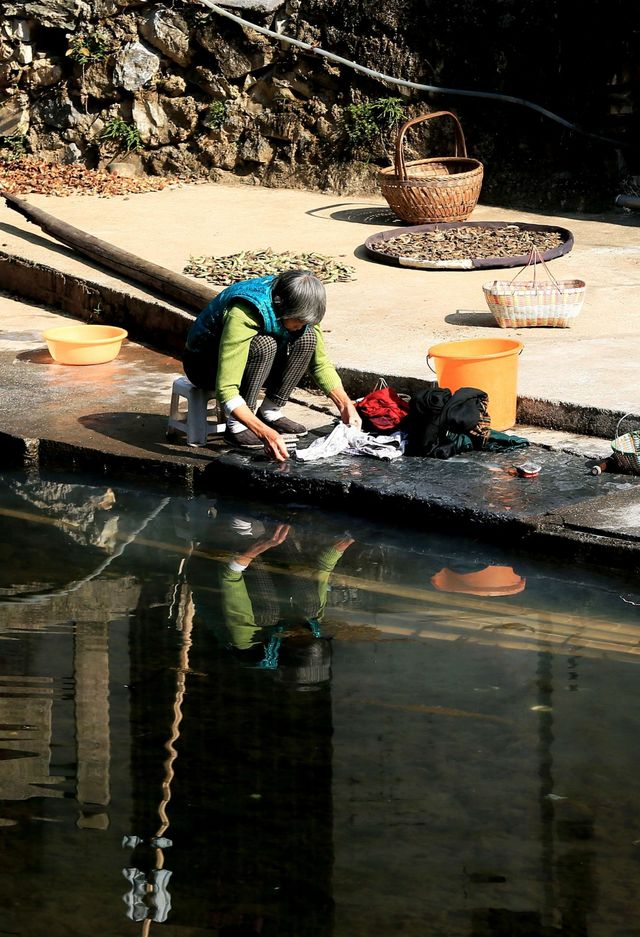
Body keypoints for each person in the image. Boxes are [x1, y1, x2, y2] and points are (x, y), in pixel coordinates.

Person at [183, 269, 361, 462]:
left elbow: (320, 365)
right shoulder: (245, 311)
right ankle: (237, 425)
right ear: (283, 307)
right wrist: (264, 433)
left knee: (307, 338)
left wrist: (345, 405)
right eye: (299, 320)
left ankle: (270, 411)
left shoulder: (303, 305)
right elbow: (226, 389)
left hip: (251, 365)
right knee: (264, 345)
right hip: (205, 366)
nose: (301, 325)